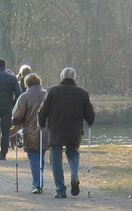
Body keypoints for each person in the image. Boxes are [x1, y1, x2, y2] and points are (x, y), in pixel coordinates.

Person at [37, 66, 95, 199]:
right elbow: (89, 114)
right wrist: (90, 121)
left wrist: (41, 122)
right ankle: (74, 176)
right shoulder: (82, 93)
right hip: (73, 130)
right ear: (74, 77)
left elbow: (43, 110)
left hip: (56, 131)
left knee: (55, 160)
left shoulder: (52, 91)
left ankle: (60, 190)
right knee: (73, 154)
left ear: (61, 77)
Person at [10, 72, 47, 193]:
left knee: (33, 157)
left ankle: (37, 183)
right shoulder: (47, 94)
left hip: (30, 131)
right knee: (41, 155)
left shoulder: (24, 97)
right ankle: (39, 180)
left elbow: (16, 115)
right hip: (46, 131)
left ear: (27, 84)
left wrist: (16, 123)